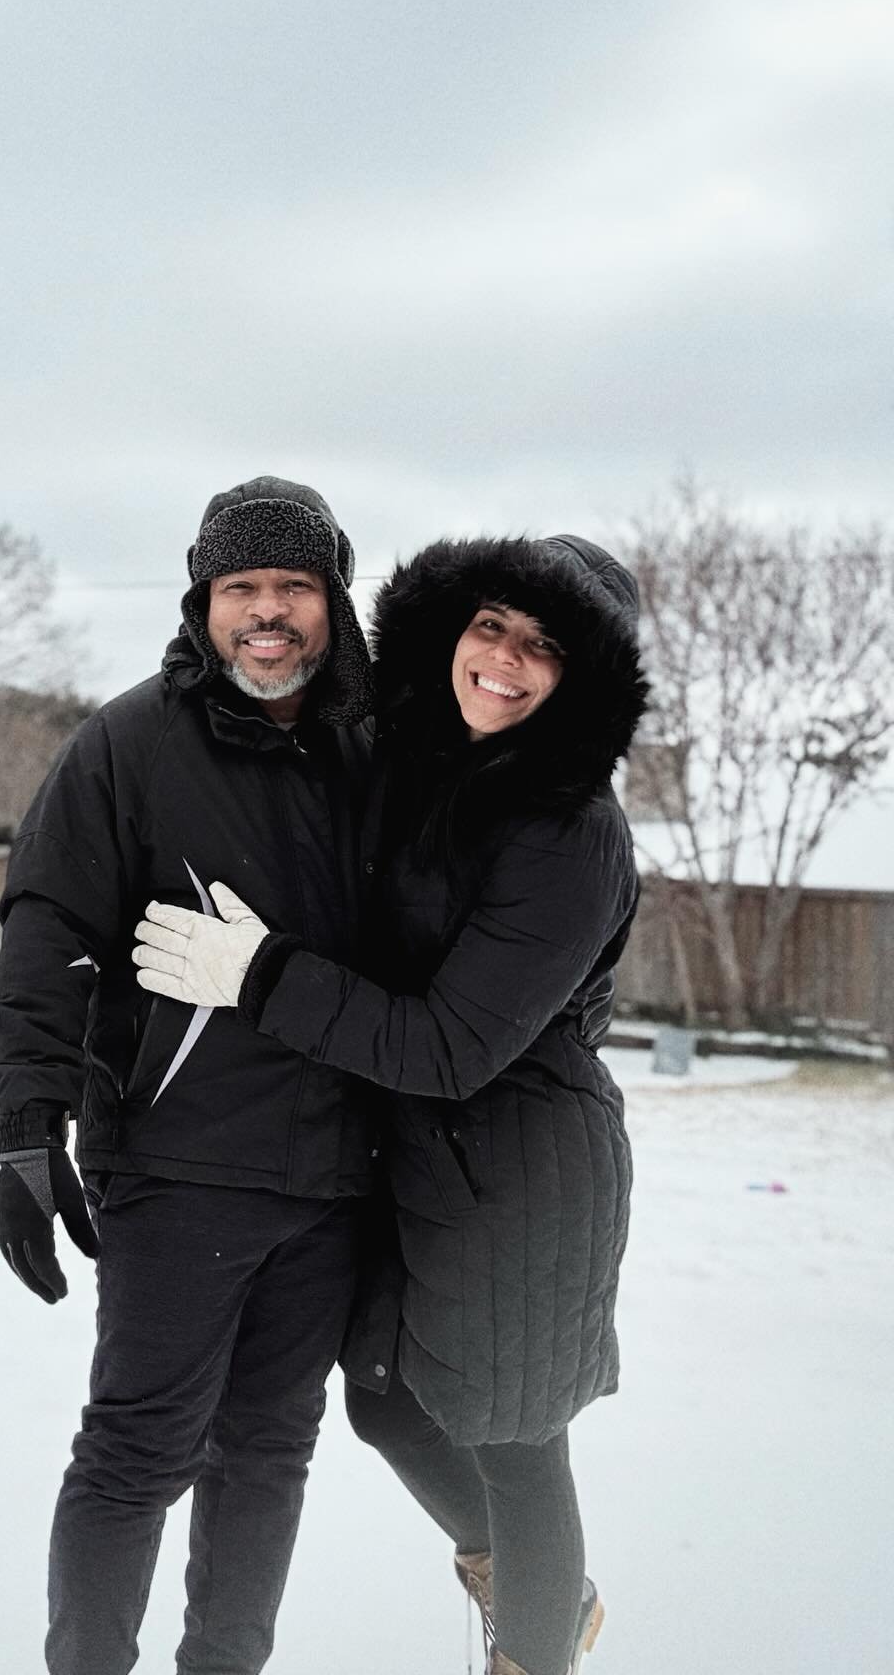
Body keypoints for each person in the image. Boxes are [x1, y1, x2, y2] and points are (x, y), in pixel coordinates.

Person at [133, 533, 649, 1675]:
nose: (506, 661)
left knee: (515, 1442)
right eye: (492, 628)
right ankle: (534, 1591)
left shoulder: (571, 831)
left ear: (587, 681)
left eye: (546, 648)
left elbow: (456, 1043)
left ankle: (536, 1645)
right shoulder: (432, 764)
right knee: (384, 1400)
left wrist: (257, 976)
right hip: (411, 1147)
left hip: (519, 1167)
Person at [0, 475, 379, 1675]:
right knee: (139, 1451)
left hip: (333, 1178)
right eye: (242, 587)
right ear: (204, 600)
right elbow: (46, 929)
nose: (268, 612)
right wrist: (24, 1131)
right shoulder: (129, 743)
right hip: (178, 1164)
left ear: (333, 600)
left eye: (294, 587)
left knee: (269, 1451)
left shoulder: (379, 750)